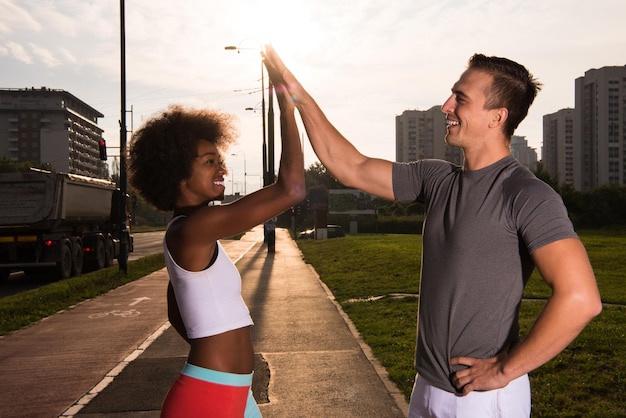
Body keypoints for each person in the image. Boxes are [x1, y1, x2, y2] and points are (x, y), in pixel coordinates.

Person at [263, 45, 602, 417]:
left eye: (460, 98)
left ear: (496, 117)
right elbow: (352, 166)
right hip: (426, 386)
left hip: (481, 401)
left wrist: (505, 369)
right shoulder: (437, 178)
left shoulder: (526, 194)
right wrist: (295, 91)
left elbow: (581, 298)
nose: (446, 106)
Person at [128, 80, 305, 416]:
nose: (222, 169)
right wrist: (287, 107)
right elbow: (292, 189)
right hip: (209, 395)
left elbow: (176, 310)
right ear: (178, 172)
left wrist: (213, 347)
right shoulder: (195, 229)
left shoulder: (189, 230)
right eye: (210, 162)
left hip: (232, 392)